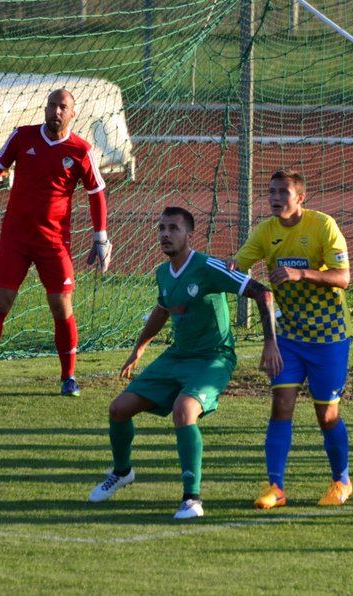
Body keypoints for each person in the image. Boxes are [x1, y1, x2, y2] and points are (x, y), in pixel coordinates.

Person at [87, 206, 282, 519]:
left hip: (214, 357)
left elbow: (263, 294)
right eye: (162, 228)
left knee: (184, 409)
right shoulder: (163, 273)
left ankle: (192, 499)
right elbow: (163, 310)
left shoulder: (209, 267)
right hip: (177, 355)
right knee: (118, 409)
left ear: (189, 235)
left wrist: (270, 343)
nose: (165, 234)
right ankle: (122, 472)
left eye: (173, 228)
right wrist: (139, 349)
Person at [0, 88, 112, 399]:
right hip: (15, 238)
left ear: (73, 113)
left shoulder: (81, 150)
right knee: (0, 302)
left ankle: (68, 377)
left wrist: (101, 235)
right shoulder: (22, 137)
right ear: (45, 108)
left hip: (54, 242)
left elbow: (96, 191)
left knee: (61, 306)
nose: (56, 111)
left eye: (63, 107)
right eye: (52, 105)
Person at [229, 168, 353, 509]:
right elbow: (236, 267)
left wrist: (302, 273)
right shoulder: (265, 231)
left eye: (283, 192)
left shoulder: (322, 225)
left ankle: (341, 480)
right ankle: (276, 487)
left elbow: (344, 278)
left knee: (326, 416)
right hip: (289, 337)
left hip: (329, 337)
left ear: (301, 197)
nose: (275, 197)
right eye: (271, 191)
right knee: (281, 406)